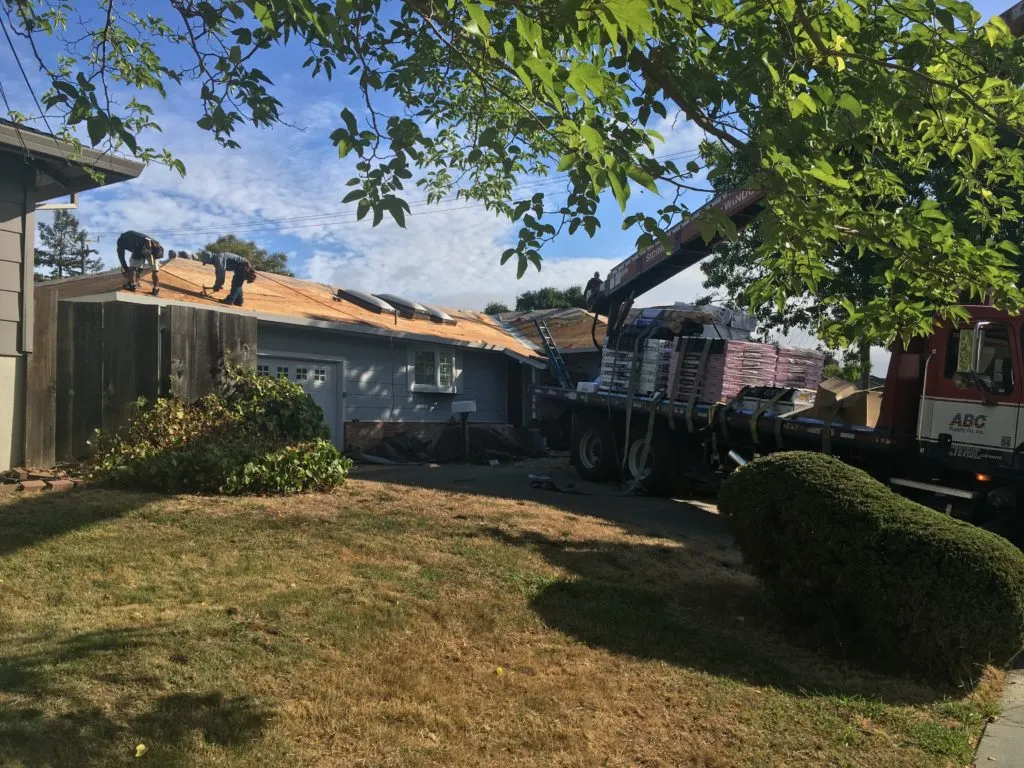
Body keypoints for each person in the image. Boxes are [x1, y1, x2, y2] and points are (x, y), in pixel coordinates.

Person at [116, 230, 164, 295]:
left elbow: (121, 255)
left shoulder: (121, 240)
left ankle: (132, 285)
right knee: (155, 270)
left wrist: (125, 267)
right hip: (154, 246)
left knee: (132, 267)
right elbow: (140, 262)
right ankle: (156, 289)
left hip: (141, 245)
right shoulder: (131, 235)